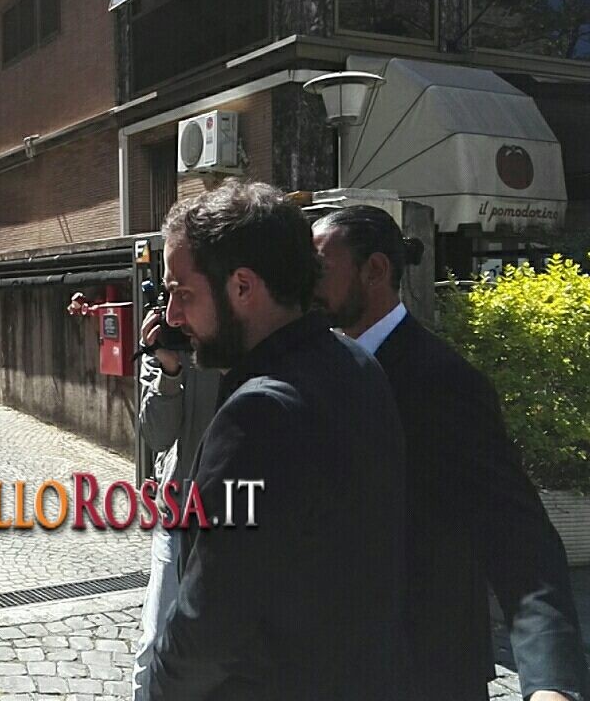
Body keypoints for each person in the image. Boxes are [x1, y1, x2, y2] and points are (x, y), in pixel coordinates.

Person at [141, 180, 409, 700]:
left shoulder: (257, 416)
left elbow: (207, 628)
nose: (172, 316)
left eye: (183, 293)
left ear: (243, 286)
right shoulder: (356, 363)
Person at [312, 205, 586, 701]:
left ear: (374, 270)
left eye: (320, 268)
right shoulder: (314, 370)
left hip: (426, 670)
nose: (307, 284)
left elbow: (517, 532)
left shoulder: (444, 382)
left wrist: (551, 681)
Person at [132, 307, 220, 700]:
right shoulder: (164, 337)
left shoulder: (242, 331)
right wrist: (168, 371)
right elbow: (156, 435)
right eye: (169, 294)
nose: (173, 311)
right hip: (179, 510)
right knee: (157, 639)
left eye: (185, 295)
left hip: (240, 508)